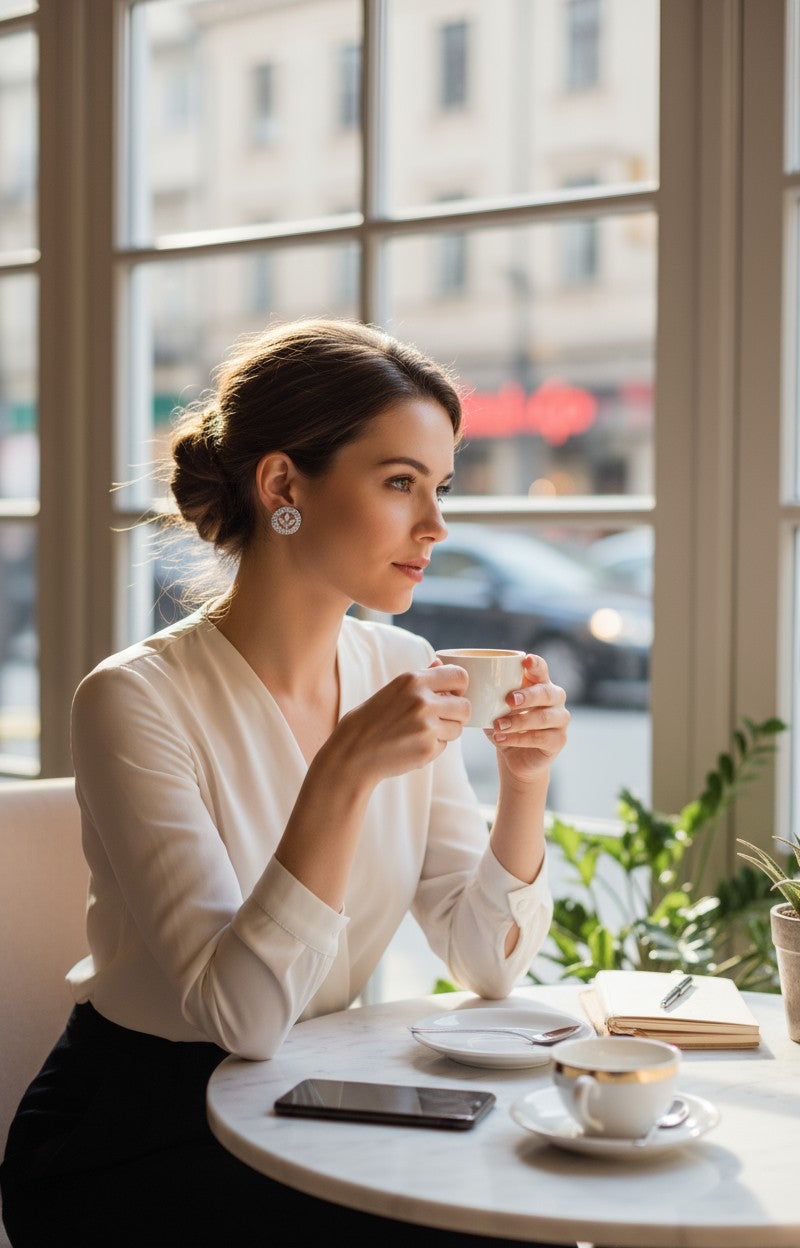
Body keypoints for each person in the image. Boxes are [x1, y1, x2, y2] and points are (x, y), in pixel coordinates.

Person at [0, 318, 571, 1248]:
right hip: (137, 1135)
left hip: (310, 1095)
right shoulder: (133, 700)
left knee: (524, 1207)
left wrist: (524, 784)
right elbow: (245, 1017)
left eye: (441, 488)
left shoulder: (403, 664)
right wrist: (342, 772)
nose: (435, 525)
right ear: (281, 485)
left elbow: (487, 961)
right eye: (399, 483)